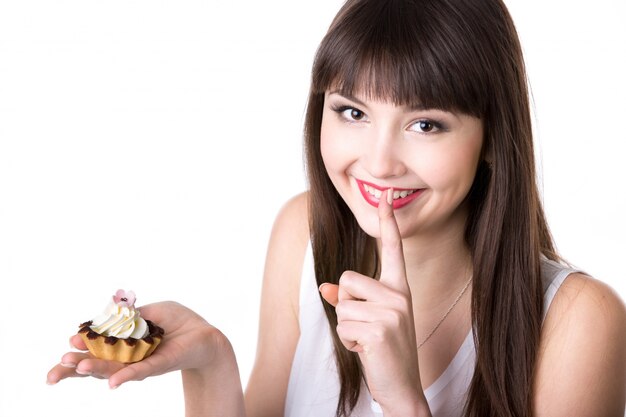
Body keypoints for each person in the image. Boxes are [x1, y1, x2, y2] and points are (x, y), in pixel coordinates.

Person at [47, 0, 626, 416]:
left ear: (494, 138)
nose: (379, 162)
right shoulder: (303, 233)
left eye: (425, 124)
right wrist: (212, 364)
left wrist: (403, 399)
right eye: (352, 111)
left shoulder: (577, 323)